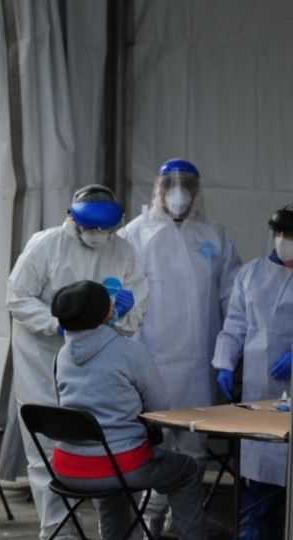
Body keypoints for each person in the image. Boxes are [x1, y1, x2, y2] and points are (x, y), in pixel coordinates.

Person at [7, 184, 148, 539]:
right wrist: (56, 324)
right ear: (72, 218)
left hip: (97, 366)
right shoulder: (46, 245)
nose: (99, 235)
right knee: (47, 451)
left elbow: (137, 310)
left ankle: (114, 531)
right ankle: (59, 533)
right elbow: (17, 297)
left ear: (118, 223)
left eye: (106, 228)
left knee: (102, 447)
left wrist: (124, 315)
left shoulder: (124, 251)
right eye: (91, 227)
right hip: (43, 362)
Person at [120, 159, 241, 536]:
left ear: (197, 190)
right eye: (170, 183)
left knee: (193, 445)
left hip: (198, 361)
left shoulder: (213, 235)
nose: (178, 192)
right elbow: (125, 300)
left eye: (187, 184)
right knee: (153, 445)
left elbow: (233, 298)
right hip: (150, 359)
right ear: (156, 187)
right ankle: (150, 517)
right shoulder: (135, 235)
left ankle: (185, 517)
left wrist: (232, 354)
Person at [50, 280, 207, 540]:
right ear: (107, 313)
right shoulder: (129, 351)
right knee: (187, 470)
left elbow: (63, 408)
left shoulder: (62, 356)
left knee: (113, 484)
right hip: (120, 465)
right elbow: (159, 407)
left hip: (67, 467)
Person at [211, 204, 293, 539]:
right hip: (258, 389)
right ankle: (256, 528)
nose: (285, 242)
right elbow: (234, 326)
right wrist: (224, 363)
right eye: (282, 234)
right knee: (260, 466)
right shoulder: (250, 274)